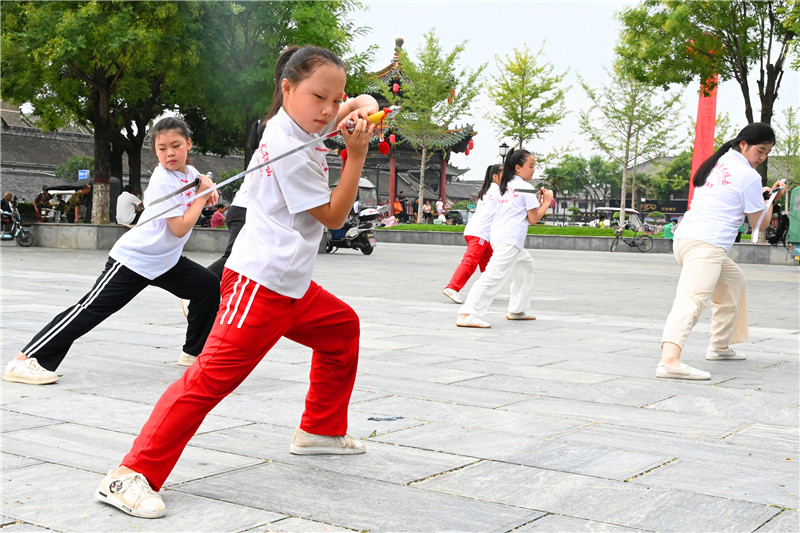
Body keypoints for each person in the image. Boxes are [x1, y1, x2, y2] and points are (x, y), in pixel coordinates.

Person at [95, 45, 378, 519]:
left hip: (294, 287)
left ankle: (319, 430)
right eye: (319, 97)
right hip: (259, 284)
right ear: (287, 89)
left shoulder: (308, 121)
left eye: (336, 97)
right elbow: (332, 217)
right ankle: (129, 474)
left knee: (341, 329)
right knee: (209, 379)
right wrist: (356, 155)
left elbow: (359, 104)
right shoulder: (285, 143)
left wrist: (364, 107)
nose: (329, 110)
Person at [3, 117, 221, 386]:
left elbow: (203, 185)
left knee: (208, 287)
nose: (170, 153)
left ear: (188, 144)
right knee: (89, 310)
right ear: (155, 151)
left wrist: (208, 189)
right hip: (134, 260)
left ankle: (193, 352)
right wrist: (201, 196)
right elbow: (179, 228)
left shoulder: (190, 174)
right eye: (162, 148)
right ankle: (25, 360)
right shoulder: (164, 180)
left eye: (176, 145)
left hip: (165, 261)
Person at [657, 123, 785, 381]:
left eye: (767, 152)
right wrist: (773, 199)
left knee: (733, 282)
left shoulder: (720, 162)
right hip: (707, 245)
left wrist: (762, 197)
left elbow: (733, 196)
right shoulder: (748, 175)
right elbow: (758, 224)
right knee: (691, 299)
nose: (762, 158)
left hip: (686, 238)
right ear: (743, 145)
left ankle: (720, 345)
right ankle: (669, 360)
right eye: (760, 150)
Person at [457, 149, 553, 328]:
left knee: (526, 266)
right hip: (510, 238)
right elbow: (533, 219)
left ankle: (517, 309)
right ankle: (468, 313)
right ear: (518, 168)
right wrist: (547, 201)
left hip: (500, 235)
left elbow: (520, 208)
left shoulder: (506, 185)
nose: (533, 170)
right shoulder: (524, 187)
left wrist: (537, 200)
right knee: (493, 276)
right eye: (530, 166)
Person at [443, 164, 502, 304]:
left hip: (481, 233)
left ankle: (486, 290)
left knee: (489, 264)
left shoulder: (488, 190)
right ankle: (452, 287)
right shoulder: (497, 192)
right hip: (480, 233)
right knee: (470, 262)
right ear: (495, 176)